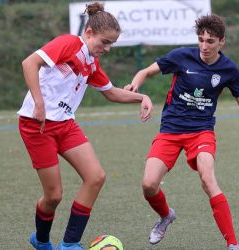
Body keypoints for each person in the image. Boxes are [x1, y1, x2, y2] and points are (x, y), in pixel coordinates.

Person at [17, 2, 153, 250]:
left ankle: (69, 244)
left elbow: (111, 93)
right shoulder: (69, 43)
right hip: (37, 125)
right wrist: (38, 103)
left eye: (111, 43)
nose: (108, 48)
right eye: (105, 42)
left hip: (65, 125)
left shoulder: (91, 61)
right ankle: (42, 240)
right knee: (54, 195)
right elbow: (29, 63)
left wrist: (141, 97)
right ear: (89, 32)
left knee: (95, 177)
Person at [124, 14, 239, 250]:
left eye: (210, 41)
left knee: (208, 179)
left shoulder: (229, 69)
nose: (204, 46)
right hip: (170, 130)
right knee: (148, 185)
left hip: (201, 132)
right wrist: (135, 85)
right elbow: (146, 71)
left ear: (221, 42)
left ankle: (233, 244)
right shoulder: (181, 56)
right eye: (201, 40)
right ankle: (166, 216)